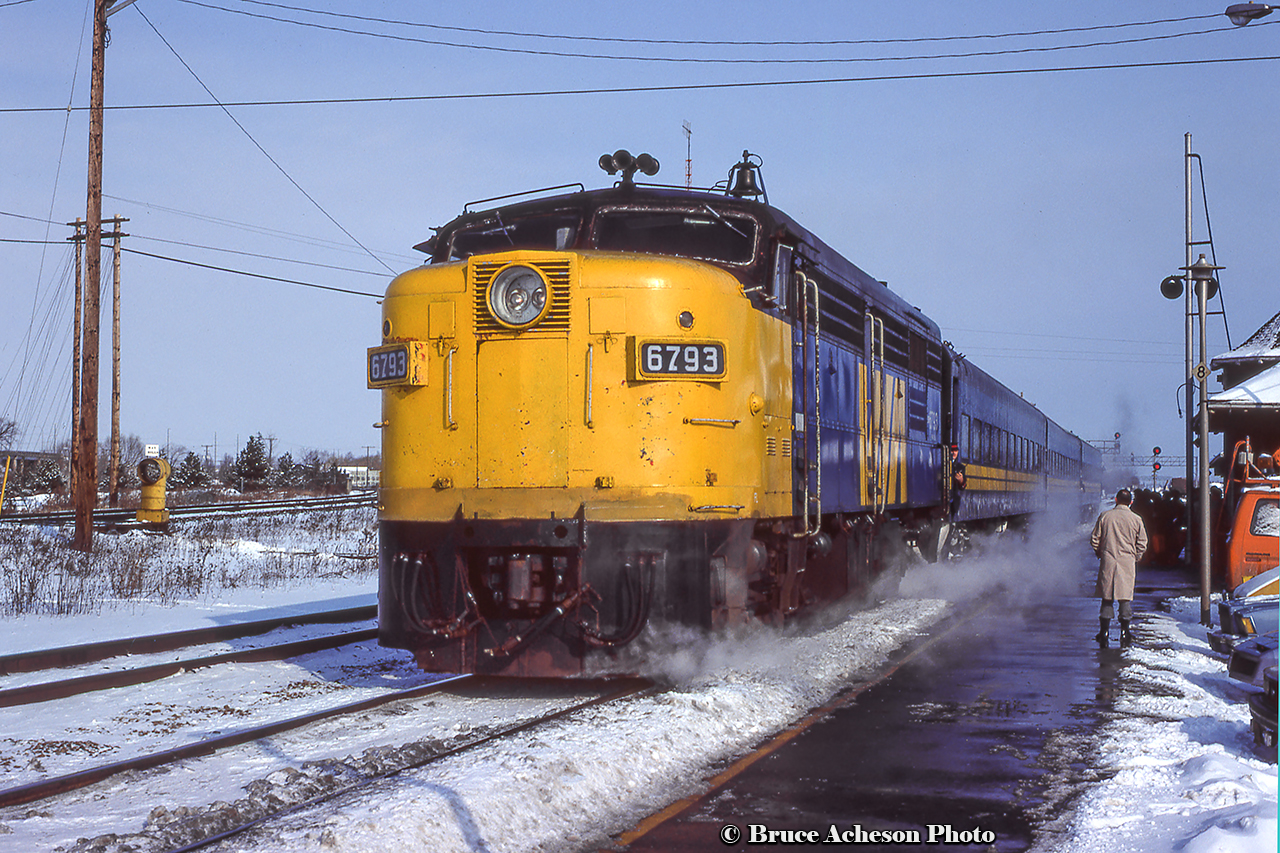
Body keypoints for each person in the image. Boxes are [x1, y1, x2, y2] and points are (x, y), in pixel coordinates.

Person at [1090, 488, 1149, 647]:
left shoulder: (1105, 516)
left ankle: (1104, 632)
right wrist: (1136, 556)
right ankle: (1125, 632)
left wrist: (1100, 553)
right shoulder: (1136, 519)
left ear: (1116, 500)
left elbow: (1095, 539)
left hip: (1108, 560)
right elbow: (1142, 542)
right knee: (1125, 598)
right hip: (1127, 562)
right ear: (1130, 502)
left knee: (1107, 597)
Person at [948, 445, 966, 518]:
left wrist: (961, 481)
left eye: (955, 451)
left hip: (954, 498)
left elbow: (962, 487)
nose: (953, 453)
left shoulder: (961, 467)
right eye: (952, 450)